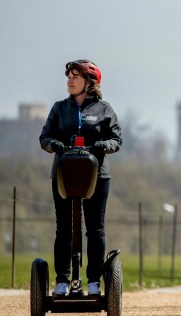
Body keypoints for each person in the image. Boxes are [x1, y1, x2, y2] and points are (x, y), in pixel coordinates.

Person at [39, 60, 122, 297]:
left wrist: (104, 145)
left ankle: (94, 281)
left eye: (75, 77)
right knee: (63, 228)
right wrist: (52, 144)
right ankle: (63, 281)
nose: (69, 81)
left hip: (96, 174)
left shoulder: (104, 109)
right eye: (68, 76)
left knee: (95, 229)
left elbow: (117, 139)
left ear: (89, 83)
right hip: (64, 174)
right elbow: (45, 136)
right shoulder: (59, 108)